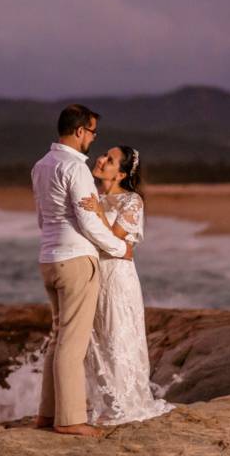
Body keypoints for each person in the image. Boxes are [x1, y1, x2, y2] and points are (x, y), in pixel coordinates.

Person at [31, 105, 133, 438]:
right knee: (72, 345)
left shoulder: (41, 166)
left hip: (49, 259)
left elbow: (42, 219)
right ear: (79, 132)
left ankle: (46, 415)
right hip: (75, 260)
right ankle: (70, 419)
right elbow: (89, 222)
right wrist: (120, 249)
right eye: (92, 132)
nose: (92, 139)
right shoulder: (76, 168)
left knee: (58, 337)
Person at [78, 146, 174, 425]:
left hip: (118, 279)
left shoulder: (132, 201)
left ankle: (126, 407)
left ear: (120, 173)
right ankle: (106, 406)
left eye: (109, 160)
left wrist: (97, 211)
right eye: (104, 155)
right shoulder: (93, 195)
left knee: (118, 338)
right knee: (97, 342)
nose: (101, 159)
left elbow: (117, 242)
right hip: (93, 275)